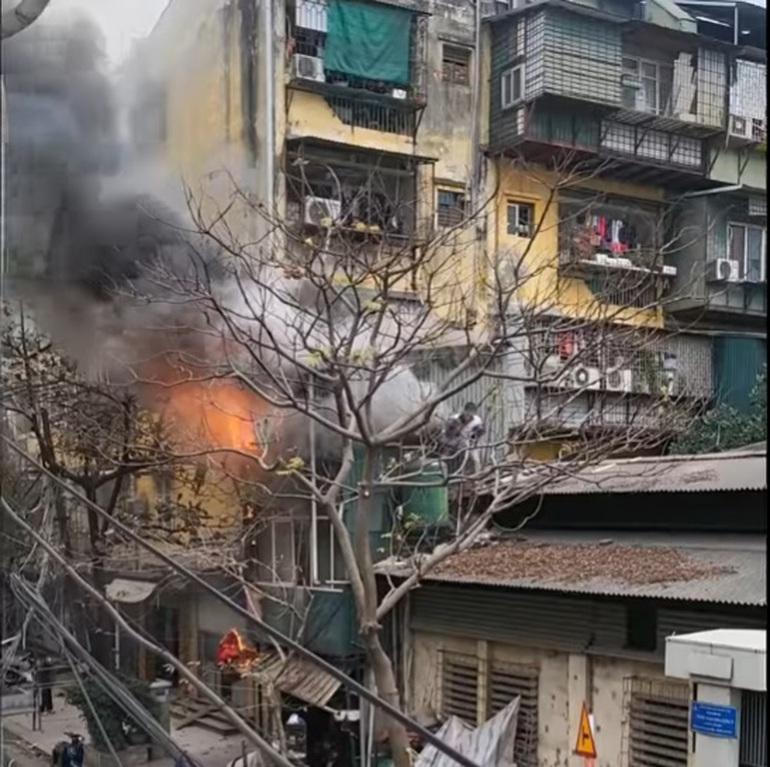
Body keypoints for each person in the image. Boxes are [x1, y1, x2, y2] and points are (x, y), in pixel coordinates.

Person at [443, 402, 485, 475]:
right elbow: (448, 433)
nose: (468, 416)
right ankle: (446, 473)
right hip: (454, 441)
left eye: (471, 413)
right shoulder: (454, 418)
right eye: (467, 413)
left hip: (469, 442)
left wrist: (473, 437)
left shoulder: (477, 420)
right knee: (446, 457)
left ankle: (477, 476)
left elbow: (480, 432)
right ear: (464, 410)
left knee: (476, 460)